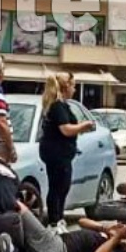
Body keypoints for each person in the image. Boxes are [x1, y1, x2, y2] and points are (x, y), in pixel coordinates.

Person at [39, 72, 96, 233]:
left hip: (57, 151)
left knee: (60, 186)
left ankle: (58, 218)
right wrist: (83, 126)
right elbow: (65, 129)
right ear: (66, 87)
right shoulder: (58, 106)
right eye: (73, 86)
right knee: (59, 186)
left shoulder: (60, 105)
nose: (75, 89)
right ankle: (54, 221)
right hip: (57, 153)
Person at [15, 202, 126, 252]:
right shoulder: (108, 238)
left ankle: (3, 191)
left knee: (20, 208)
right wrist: (105, 228)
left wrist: (117, 237)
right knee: (14, 227)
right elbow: (82, 221)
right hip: (53, 240)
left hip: (54, 247)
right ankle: (7, 249)